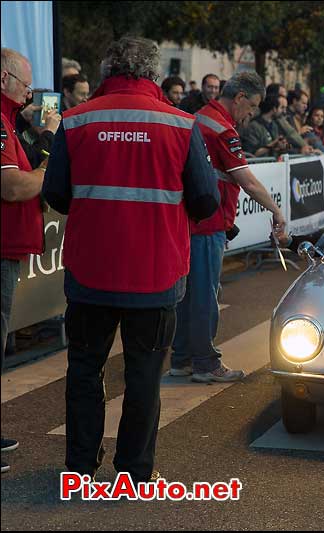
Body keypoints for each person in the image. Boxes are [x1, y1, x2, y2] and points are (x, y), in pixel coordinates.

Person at [41, 36, 220, 482]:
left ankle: (80, 469)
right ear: (153, 73)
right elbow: (205, 200)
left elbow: (56, 195)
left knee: (84, 370)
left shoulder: (76, 120)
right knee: (143, 376)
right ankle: (135, 473)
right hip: (156, 275)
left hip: (89, 271)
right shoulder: (181, 124)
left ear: (106, 71)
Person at [171, 72, 286, 383]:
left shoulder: (197, 118)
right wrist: (277, 211)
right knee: (206, 294)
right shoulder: (224, 130)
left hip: (189, 219)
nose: (252, 113)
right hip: (209, 223)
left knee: (188, 294)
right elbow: (247, 180)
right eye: (252, 106)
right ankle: (206, 364)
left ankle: (181, 358)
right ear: (238, 98)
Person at [1, 47, 47, 474]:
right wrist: (48, 171)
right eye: (24, 81)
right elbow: (13, 186)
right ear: (4, 79)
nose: (30, 90)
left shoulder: (11, 122)